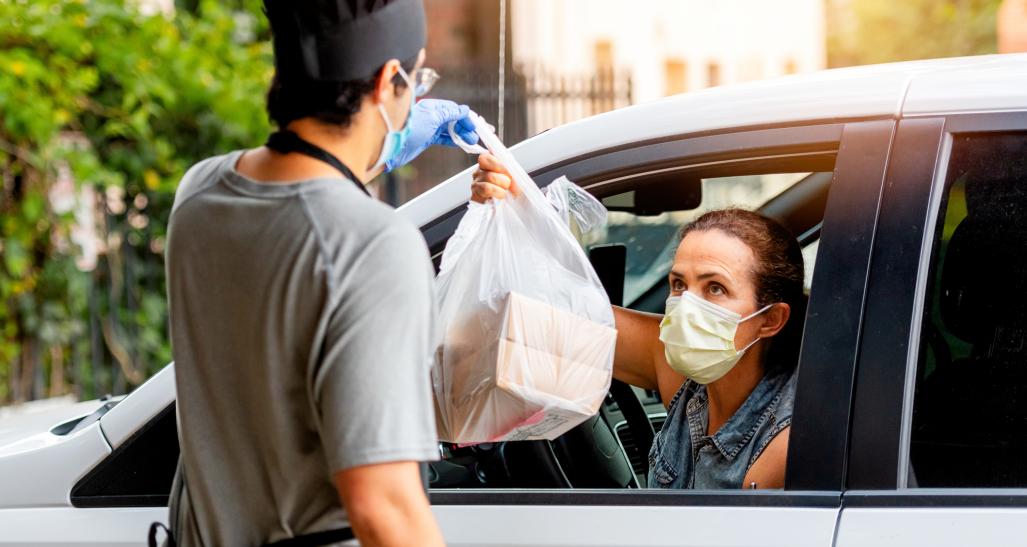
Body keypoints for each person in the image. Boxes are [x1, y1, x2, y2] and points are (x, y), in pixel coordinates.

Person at [164, 1, 474, 545]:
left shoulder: (200, 193)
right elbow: (385, 506)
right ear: (388, 81)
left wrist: (378, 153)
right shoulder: (375, 246)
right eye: (418, 79)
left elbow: (306, 194)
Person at [470, 153, 806, 490]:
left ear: (771, 319)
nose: (687, 307)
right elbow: (555, 319)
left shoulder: (782, 443)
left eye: (714, 288)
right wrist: (510, 216)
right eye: (679, 284)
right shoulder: (685, 376)